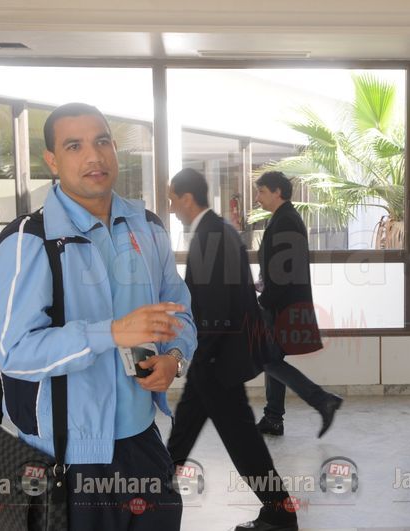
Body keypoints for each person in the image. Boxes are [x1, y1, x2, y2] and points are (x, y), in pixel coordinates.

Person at [0, 102, 196, 530]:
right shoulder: (30, 240)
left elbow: (179, 310)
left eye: (102, 141)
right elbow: (16, 352)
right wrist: (111, 333)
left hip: (143, 440)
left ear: (115, 148)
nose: (94, 156)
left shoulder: (147, 227)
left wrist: (174, 358)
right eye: (74, 146)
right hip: (66, 457)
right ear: (52, 160)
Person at [166, 168, 299, 531]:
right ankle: (151, 502)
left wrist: (198, 356)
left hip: (217, 362)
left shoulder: (211, 236)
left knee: (242, 445)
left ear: (187, 198)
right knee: (184, 437)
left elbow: (216, 308)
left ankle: (281, 513)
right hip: (215, 359)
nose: (171, 207)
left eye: (173, 199)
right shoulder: (218, 230)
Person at [253, 170, 343, 438]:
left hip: (282, 306)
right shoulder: (281, 218)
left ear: (277, 192)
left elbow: (285, 272)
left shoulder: (286, 222)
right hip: (280, 302)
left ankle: (322, 400)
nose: (257, 198)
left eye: (261, 191)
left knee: (267, 360)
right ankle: (273, 418)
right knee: (271, 359)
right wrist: (263, 283)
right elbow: (278, 266)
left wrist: (264, 299)